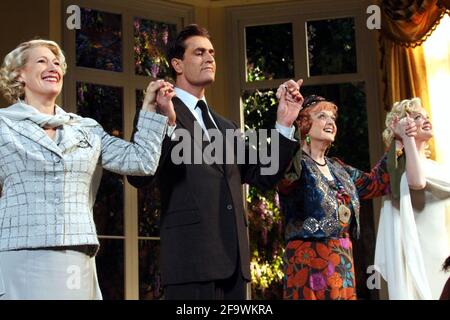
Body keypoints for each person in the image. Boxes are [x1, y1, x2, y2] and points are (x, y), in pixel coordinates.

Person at [127, 24, 302, 300]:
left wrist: (284, 123)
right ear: (178, 64)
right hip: (190, 264)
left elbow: (263, 174)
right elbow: (139, 176)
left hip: (234, 267)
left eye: (212, 53)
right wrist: (167, 125)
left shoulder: (226, 126)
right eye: (199, 52)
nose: (209, 58)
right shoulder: (158, 112)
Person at [0, 39, 174, 299]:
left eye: (57, 62)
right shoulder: (3, 125)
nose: (53, 66)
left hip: (76, 257)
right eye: (42, 61)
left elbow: (141, 162)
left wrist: (150, 109)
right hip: (20, 254)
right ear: (19, 74)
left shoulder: (86, 128)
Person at [276, 94, 419, 300]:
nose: (330, 122)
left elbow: (375, 183)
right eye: (322, 116)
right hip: (307, 264)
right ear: (305, 123)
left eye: (333, 119)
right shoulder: (295, 164)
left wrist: (397, 141)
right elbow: (282, 172)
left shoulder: (339, 169)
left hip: (342, 264)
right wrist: (287, 123)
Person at [375, 97, 450, 300]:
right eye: (417, 117)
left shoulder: (438, 167)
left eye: (426, 116)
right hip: (419, 254)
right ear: (402, 126)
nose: (426, 120)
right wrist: (406, 139)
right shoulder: (399, 166)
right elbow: (417, 182)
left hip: (443, 250)